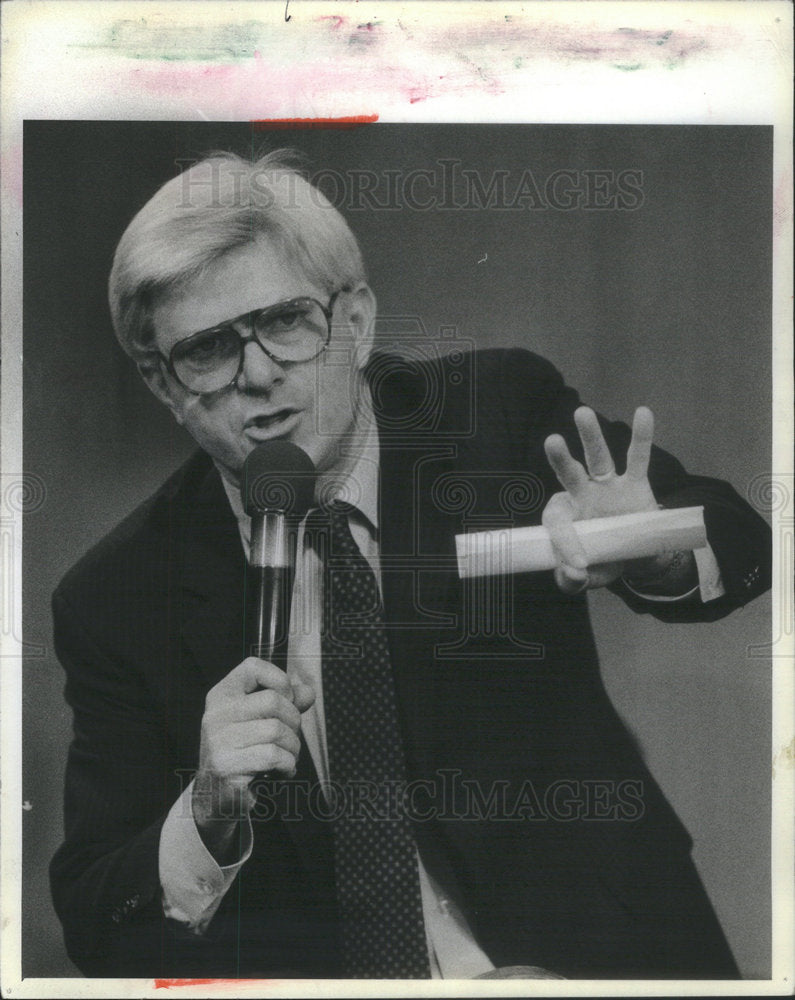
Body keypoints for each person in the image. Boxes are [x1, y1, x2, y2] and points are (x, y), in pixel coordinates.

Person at [50, 150, 771, 980]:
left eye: (285, 320)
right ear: (162, 384)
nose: (257, 374)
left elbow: (740, 537)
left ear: (353, 322)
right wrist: (206, 812)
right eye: (208, 348)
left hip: (598, 963)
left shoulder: (494, 414)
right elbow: (98, 922)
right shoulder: (115, 597)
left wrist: (647, 546)